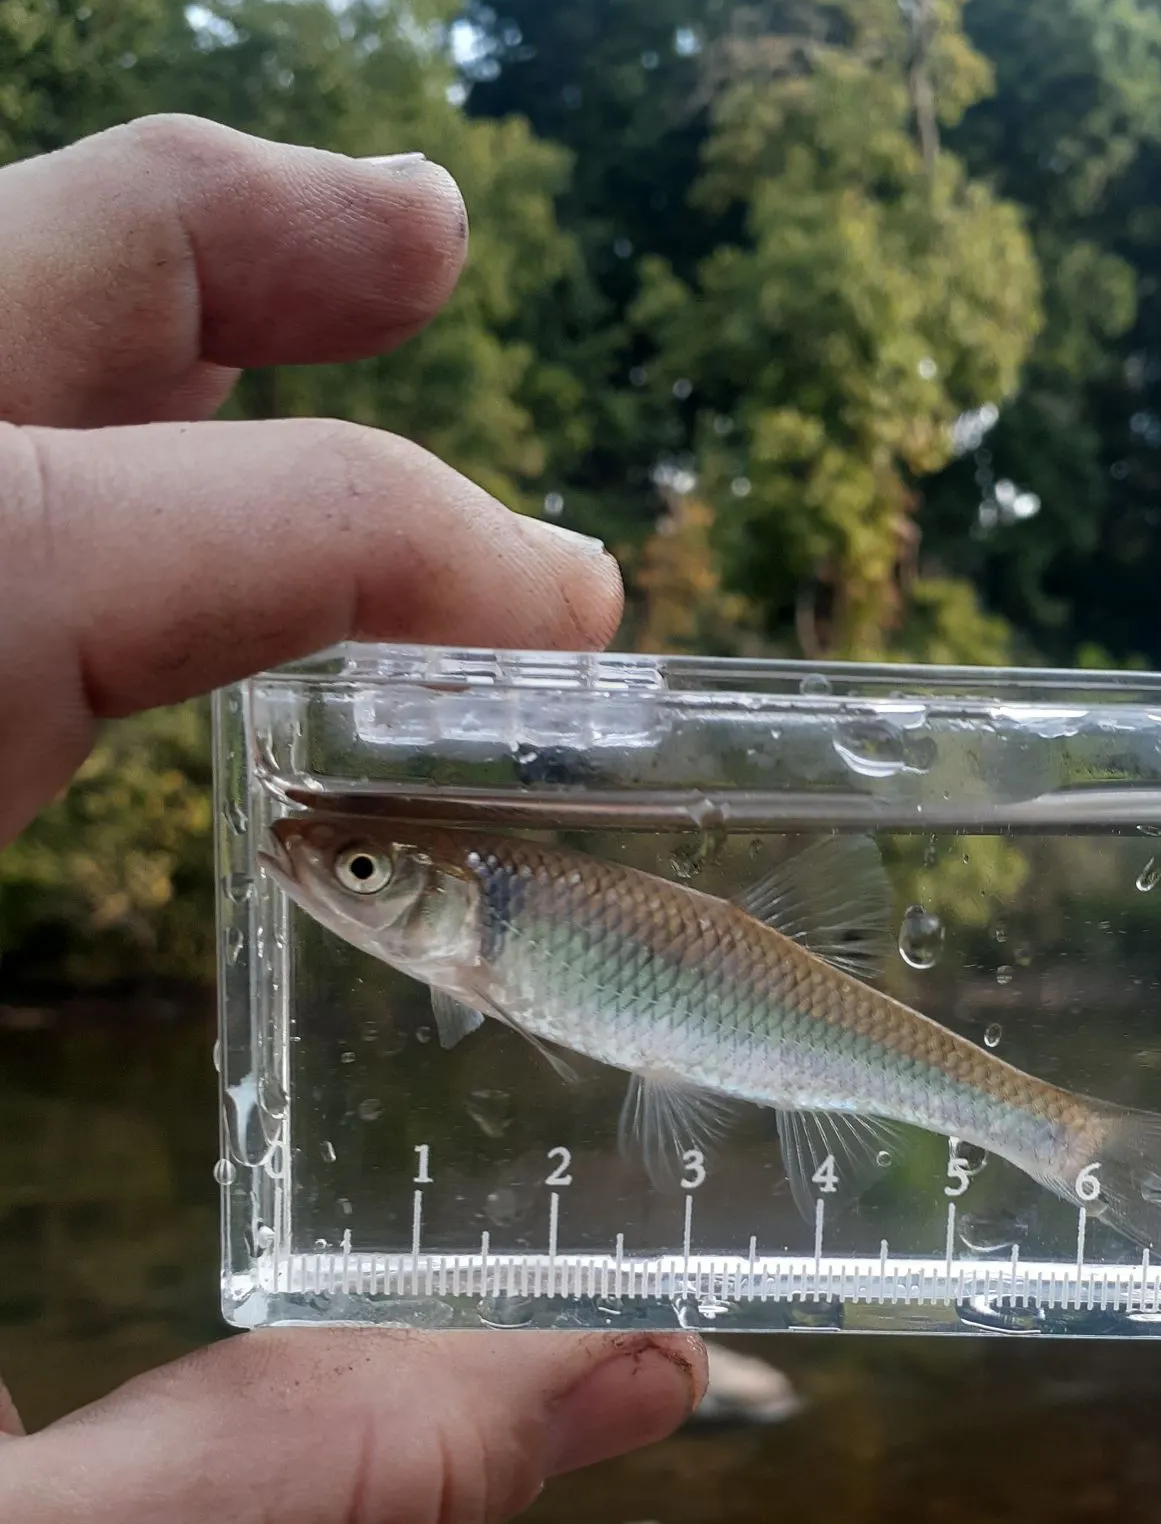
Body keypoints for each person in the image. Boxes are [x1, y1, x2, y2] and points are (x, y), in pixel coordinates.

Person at [0, 115, 708, 1523]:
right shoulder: (471, 946)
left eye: (371, 869)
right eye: (367, 868)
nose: (339, 877)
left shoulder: (489, 941)